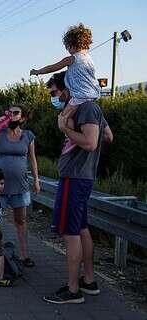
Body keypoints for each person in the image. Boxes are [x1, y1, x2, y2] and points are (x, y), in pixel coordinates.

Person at [43, 71, 113, 305]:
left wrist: (66, 129)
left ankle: (73, 290)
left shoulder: (87, 109)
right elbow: (107, 136)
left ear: (68, 88)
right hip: (80, 177)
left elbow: (92, 143)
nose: (54, 97)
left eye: (54, 92)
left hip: (75, 178)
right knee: (81, 228)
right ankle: (89, 281)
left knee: (70, 233)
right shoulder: (90, 108)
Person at [0, 104, 40, 267]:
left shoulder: (28, 135)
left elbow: (32, 159)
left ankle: (24, 255)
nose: (11, 115)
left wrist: (36, 180)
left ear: (23, 117)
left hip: (20, 186)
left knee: (21, 220)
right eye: (9, 112)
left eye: (16, 112)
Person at [30, 23, 100, 154]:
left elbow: (54, 67)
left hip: (80, 96)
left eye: (67, 46)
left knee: (63, 118)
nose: (67, 49)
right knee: (71, 116)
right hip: (92, 93)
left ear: (71, 44)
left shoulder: (72, 59)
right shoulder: (89, 59)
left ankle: (71, 140)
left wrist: (37, 71)